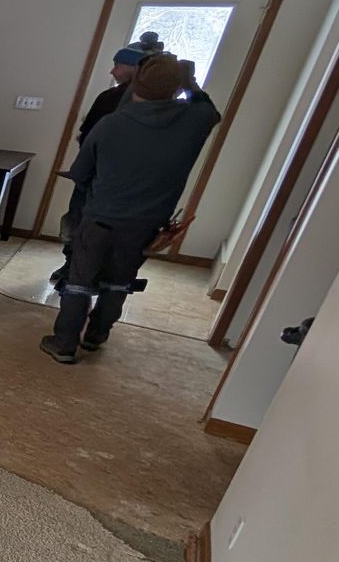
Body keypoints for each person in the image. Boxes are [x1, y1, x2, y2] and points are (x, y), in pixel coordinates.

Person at [40, 53, 220, 363]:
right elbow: (209, 110)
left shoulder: (113, 124)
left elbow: (80, 173)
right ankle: (96, 337)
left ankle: (65, 343)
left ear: (136, 81)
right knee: (118, 280)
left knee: (80, 281)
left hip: (100, 217)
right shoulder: (193, 121)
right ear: (176, 88)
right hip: (147, 224)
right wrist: (190, 82)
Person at [49, 31, 165, 285]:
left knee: (86, 225)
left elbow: (89, 137)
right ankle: (78, 269)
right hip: (111, 180)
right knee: (84, 224)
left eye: (118, 65)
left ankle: (79, 273)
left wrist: (84, 170)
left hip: (107, 181)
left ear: (136, 68)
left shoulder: (120, 100)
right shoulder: (159, 106)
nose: (113, 72)